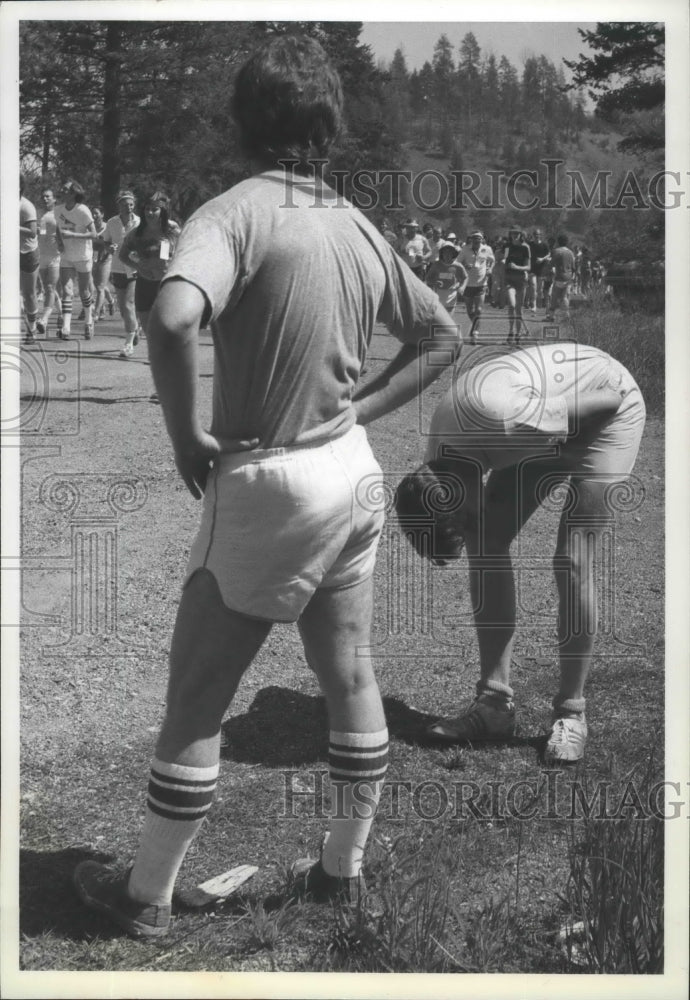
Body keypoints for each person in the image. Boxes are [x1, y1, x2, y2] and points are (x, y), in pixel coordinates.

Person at [73, 34, 460, 938]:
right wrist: (359, 411)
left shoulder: (235, 211)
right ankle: (340, 872)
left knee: (197, 694)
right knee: (351, 672)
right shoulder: (356, 223)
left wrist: (186, 436)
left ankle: (146, 898)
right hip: (349, 475)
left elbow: (171, 319)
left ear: (242, 120)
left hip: (269, 476)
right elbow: (441, 335)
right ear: (329, 124)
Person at [395, 341, 646, 763]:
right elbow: (472, 516)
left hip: (608, 406)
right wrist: (552, 452)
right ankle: (493, 705)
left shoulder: (507, 424)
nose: (474, 520)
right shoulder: (438, 460)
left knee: (572, 559)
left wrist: (569, 461)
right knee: (487, 543)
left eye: (467, 517)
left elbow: (607, 401)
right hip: (543, 420)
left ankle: (571, 712)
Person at [118, 191, 181, 358]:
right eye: (147, 209)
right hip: (145, 283)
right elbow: (122, 255)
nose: (150, 213)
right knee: (147, 326)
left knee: (166, 322)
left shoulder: (172, 229)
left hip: (167, 283)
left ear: (163, 210)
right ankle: (159, 351)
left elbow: (186, 250)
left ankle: (164, 355)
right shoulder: (137, 233)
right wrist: (138, 266)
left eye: (155, 209)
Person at [100, 191, 141, 356]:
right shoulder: (112, 222)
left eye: (131, 204)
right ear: (119, 205)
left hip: (135, 268)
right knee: (123, 310)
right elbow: (106, 241)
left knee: (128, 304)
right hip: (117, 268)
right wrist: (109, 248)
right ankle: (134, 328)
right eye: (125, 204)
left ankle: (128, 344)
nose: (129, 207)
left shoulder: (140, 222)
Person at [55, 179, 97, 341]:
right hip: (66, 255)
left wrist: (73, 235)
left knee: (84, 291)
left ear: (73, 193)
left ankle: (89, 320)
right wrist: (59, 242)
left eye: (65, 188)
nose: (61, 189)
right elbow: (58, 229)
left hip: (83, 256)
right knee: (67, 291)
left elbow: (94, 234)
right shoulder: (57, 209)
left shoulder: (83, 210)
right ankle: (66, 327)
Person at [456, 230, 494, 345]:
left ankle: (475, 332)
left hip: (481, 283)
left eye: (479, 238)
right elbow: (457, 262)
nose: (477, 240)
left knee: (478, 310)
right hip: (468, 283)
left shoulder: (487, 249)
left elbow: (493, 260)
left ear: (482, 239)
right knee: (469, 310)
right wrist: (464, 265)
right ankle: (475, 324)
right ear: (471, 240)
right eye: (475, 238)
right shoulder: (465, 249)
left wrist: (490, 268)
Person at [36, 186, 64, 338]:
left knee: (49, 286)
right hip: (42, 255)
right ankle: (61, 313)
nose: (45, 199)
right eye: (43, 196)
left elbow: (63, 232)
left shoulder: (59, 214)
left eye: (48, 196)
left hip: (55, 256)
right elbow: (41, 232)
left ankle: (44, 320)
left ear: (54, 199)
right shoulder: (39, 214)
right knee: (49, 290)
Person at [19, 174, 40, 344]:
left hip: (27, 253)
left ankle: (32, 330)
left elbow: (33, 231)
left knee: (29, 294)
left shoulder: (26, 207)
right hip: (9, 252)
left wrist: (11, 224)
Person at [503, 228, 530, 346]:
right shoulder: (508, 247)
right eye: (512, 233)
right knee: (512, 305)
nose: (514, 235)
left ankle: (518, 334)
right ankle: (511, 331)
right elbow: (504, 261)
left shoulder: (525, 247)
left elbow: (528, 267)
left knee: (519, 309)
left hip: (521, 280)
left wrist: (517, 267)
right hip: (509, 280)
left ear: (521, 234)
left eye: (517, 233)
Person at [425, 241, 468, 314]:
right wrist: (434, 283)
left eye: (450, 252)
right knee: (439, 321)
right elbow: (428, 279)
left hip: (451, 295)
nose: (447, 255)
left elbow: (465, 277)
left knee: (447, 321)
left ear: (453, 254)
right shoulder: (436, 265)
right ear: (442, 253)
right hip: (438, 295)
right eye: (445, 252)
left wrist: (462, 288)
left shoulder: (457, 265)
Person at [90, 206, 116, 321]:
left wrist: (97, 239)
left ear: (102, 214)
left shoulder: (107, 227)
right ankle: (111, 301)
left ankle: (96, 313)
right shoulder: (90, 227)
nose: (94, 216)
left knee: (100, 287)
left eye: (96, 213)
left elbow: (112, 242)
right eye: (93, 214)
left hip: (106, 259)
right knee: (99, 285)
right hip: (94, 259)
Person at [546, 234, 576, 323]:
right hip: (569, 277)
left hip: (559, 277)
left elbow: (551, 264)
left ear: (558, 242)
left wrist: (547, 266)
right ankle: (567, 315)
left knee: (554, 297)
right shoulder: (571, 252)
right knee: (564, 297)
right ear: (567, 242)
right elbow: (574, 267)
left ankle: (551, 316)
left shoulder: (556, 251)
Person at [526, 228, 550, 314]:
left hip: (541, 269)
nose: (536, 236)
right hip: (532, 269)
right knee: (533, 286)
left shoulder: (544, 245)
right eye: (535, 234)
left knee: (539, 290)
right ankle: (534, 305)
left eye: (538, 234)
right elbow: (526, 254)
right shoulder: (530, 244)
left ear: (540, 235)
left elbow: (549, 254)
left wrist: (542, 259)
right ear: (533, 235)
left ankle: (539, 301)